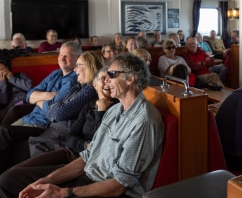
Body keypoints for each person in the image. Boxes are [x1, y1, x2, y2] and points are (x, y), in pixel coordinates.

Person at [0, 53, 164, 198]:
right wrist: (48, 179)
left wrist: (63, 193)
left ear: (130, 78)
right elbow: (88, 156)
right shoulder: (114, 110)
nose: (106, 80)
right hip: (86, 176)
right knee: (7, 180)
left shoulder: (144, 121)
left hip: (105, 190)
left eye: (112, 74)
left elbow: (119, 185)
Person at [0, 41, 81, 171]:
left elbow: (54, 108)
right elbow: (29, 95)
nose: (62, 58)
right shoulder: (55, 73)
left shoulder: (73, 80)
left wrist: (38, 99)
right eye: (60, 54)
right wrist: (49, 95)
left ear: (77, 58)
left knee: (3, 132)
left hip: (42, 125)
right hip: (29, 118)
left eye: (67, 55)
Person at [21, 68, 117, 163]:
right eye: (103, 78)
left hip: (85, 159)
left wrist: (101, 112)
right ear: (95, 85)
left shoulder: (117, 108)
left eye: (110, 79)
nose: (107, 82)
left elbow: (101, 140)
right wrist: (85, 145)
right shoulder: (88, 106)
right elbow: (70, 137)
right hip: (74, 150)